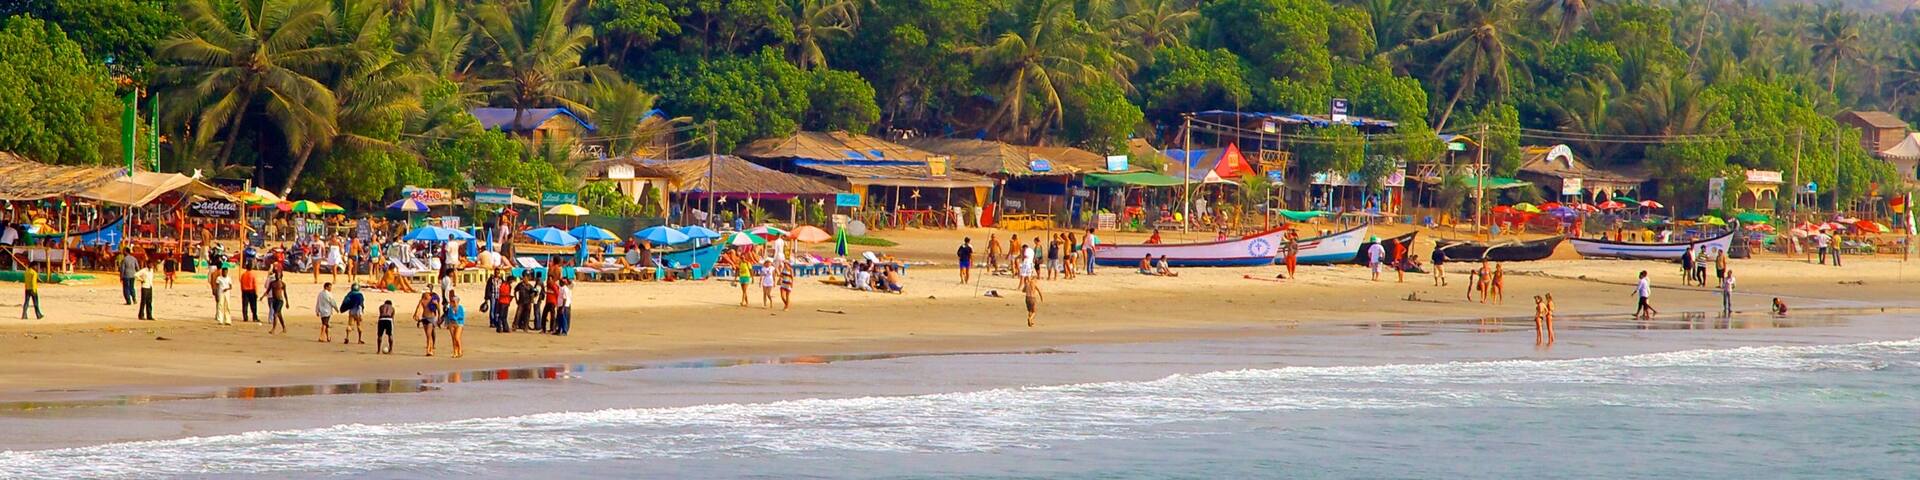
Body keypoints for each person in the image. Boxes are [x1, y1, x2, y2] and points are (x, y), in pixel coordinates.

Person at [415, 291, 440, 356]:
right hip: (424, 318)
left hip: (431, 318)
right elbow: (418, 309)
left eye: (427, 294)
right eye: (425, 294)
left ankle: (429, 350)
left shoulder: (433, 300)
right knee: (428, 335)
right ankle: (429, 349)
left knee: (429, 334)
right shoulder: (422, 301)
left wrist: (439, 317)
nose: (426, 295)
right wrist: (417, 316)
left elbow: (438, 309)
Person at [444, 292, 465, 357]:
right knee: (453, 338)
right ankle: (455, 352)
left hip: (459, 324)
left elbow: (461, 316)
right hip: (451, 324)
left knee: (457, 337)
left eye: (454, 301)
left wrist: (455, 316)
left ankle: (460, 350)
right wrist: (447, 323)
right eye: (452, 301)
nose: (453, 303)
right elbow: (448, 316)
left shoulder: (460, 308)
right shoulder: (450, 308)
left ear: (457, 301)